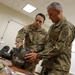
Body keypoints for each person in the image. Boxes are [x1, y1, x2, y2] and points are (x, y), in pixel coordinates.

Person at [25, 2, 75, 75]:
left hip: (59, 67)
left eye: (51, 14)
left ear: (58, 12)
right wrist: (34, 50)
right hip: (47, 64)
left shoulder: (67, 27)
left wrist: (38, 55)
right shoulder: (52, 27)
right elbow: (45, 43)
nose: (49, 17)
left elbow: (59, 48)